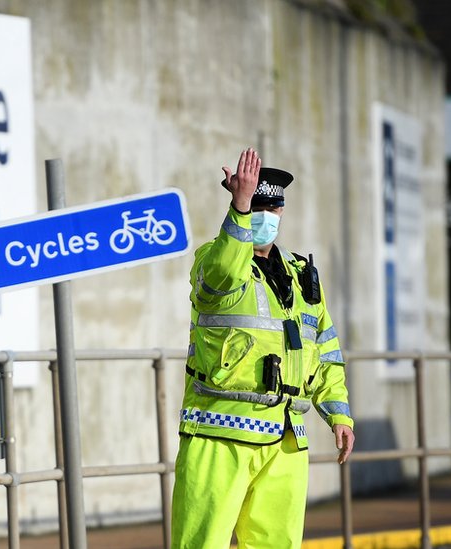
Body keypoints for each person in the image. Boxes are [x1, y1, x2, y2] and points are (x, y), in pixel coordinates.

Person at [170, 148, 355, 548]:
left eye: (272, 206)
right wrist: (238, 208)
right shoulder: (213, 259)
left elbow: (325, 348)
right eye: (256, 205)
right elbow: (222, 273)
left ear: (282, 211)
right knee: (202, 543)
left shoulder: (303, 276)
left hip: (287, 439)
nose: (264, 215)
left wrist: (339, 414)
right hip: (221, 435)